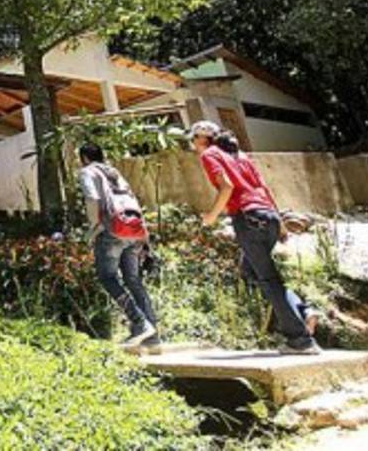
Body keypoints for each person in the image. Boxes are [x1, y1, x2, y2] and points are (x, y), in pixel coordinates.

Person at [190, 120, 322, 355]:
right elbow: (263, 187)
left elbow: (227, 187)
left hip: (248, 218)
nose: (192, 145)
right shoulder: (239, 155)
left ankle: (300, 340)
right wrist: (280, 224)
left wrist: (211, 216)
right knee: (253, 271)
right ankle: (304, 310)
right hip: (268, 216)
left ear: (201, 139)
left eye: (193, 140)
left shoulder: (210, 154)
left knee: (267, 279)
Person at [78, 142, 160, 350]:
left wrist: (94, 227)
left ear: (84, 158)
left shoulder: (88, 171)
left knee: (107, 277)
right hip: (133, 230)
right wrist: (145, 236)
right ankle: (152, 335)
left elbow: (91, 198)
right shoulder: (114, 172)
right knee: (133, 280)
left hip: (111, 231)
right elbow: (132, 200)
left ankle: (140, 323)